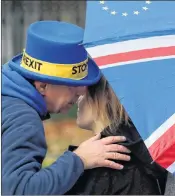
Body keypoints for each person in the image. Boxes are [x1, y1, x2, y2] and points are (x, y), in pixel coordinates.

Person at [1, 21, 131, 195]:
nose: (83, 90)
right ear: (42, 86)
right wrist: (79, 160)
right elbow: (18, 190)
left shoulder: (8, 101)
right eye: (72, 84)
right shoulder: (23, 118)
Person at [65, 75, 168, 195]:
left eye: (84, 93)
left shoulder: (111, 167)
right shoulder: (135, 151)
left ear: (105, 97)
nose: (78, 99)